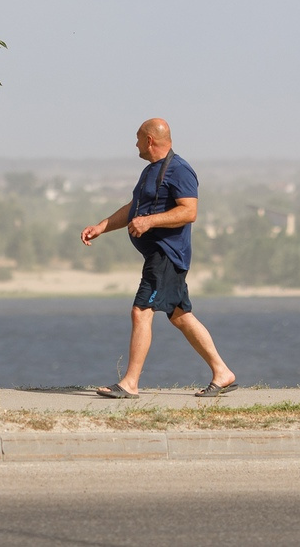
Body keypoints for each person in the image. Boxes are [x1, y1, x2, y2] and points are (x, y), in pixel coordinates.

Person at [79, 118, 237, 398]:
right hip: (158, 254)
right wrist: (102, 226)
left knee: (141, 311)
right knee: (180, 316)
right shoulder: (150, 171)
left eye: (138, 138)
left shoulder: (180, 169)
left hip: (167, 254)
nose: (136, 144)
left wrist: (149, 222)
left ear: (150, 140)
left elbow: (189, 212)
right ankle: (222, 372)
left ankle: (130, 383)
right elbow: (134, 208)